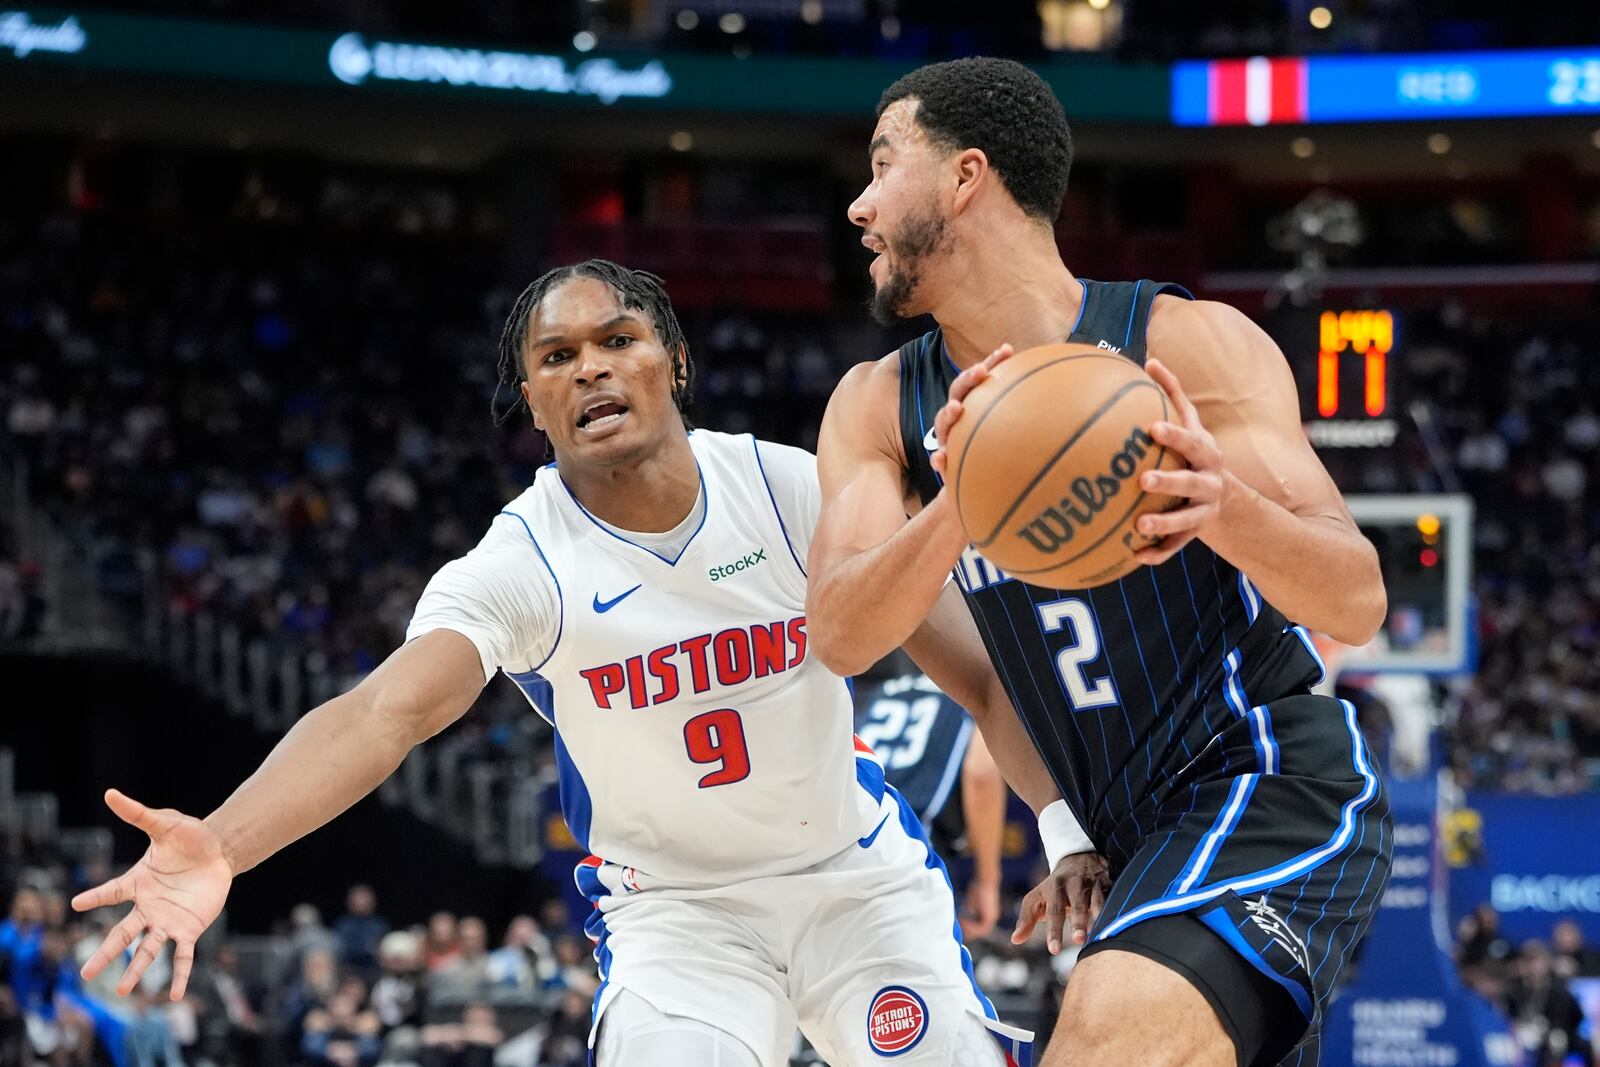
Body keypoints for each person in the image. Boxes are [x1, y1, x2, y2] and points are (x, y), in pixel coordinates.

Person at [71, 260, 1042, 1066]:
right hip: (678, 919)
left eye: (617, 340)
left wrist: (1068, 826)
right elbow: (382, 714)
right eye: (557, 356)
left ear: (675, 359)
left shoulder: (785, 485)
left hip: (855, 881)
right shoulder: (522, 563)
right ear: (531, 402)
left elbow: (977, 667)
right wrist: (228, 842)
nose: (590, 369)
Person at [808, 56, 1394, 1066]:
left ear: (964, 178)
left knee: (1099, 1039)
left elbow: (1357, 593)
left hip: (1266, 780)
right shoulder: (880, 408)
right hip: (1133, 844)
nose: (858, 206)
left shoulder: (1185, 345)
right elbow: (849, 634)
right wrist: (1064, 829)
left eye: (881, 162)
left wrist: (1222, 505)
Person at [851, 655, 1007, 938]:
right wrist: (988, 880)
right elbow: (981, 773)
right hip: (911, 860)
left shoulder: (863, 694)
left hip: (845, 856)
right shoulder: (966, 694)